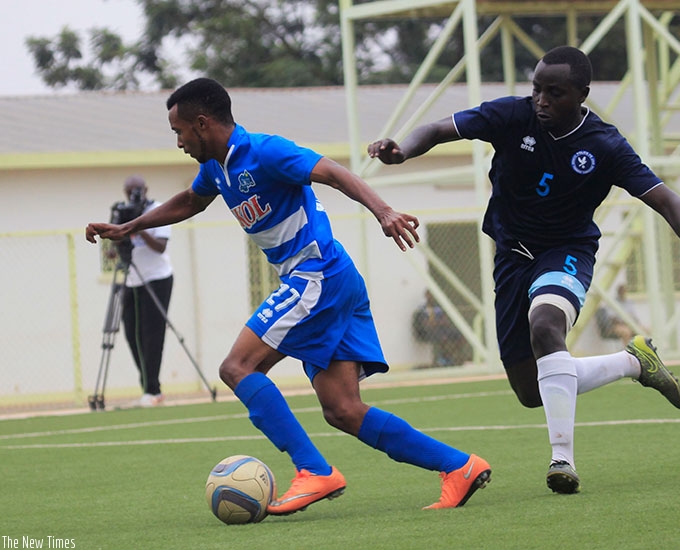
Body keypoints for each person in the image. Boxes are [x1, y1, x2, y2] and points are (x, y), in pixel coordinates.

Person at [86, 77, 490, 514]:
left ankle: (313, 470)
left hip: (316, 275)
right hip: (332, 279)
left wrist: (384, 211)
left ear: (201, 124)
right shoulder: (216, 167)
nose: (179, 141)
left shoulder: (264, 151)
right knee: (343, 410)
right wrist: (130, 227)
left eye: (179, 131)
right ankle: (459, 466)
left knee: (237, 367)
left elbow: (332, 172)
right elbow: (190, 201)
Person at [368, 45, 680, 494]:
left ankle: (563, 460)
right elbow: (439, 128)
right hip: (511, 256)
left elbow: (664, 197)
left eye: (555, 92)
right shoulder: (512, 116)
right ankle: (632, 362)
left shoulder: (605, 144)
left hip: (566, 251)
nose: (541, 99)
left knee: (546, 325)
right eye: (537, 89)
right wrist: (402, 150)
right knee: (530, 391)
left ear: (582, 94)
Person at [116, 175, 174, 407]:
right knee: (132, 333)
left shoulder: (157, 211)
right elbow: (118, 248)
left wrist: (139, 226)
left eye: (137, 190)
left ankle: (153, 390)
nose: (133, 194)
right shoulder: (123, 211)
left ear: (146, 189)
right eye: (129, 190)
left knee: (152, 335)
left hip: (157, 278)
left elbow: (160, 247)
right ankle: (147, 385)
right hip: (132, 279)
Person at [412, 290, 465, 367]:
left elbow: (445, 321)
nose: (431, 297)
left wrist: (435, 322)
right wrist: (438, 322)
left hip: (443, 329)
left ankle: (448, 356)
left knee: (461, 337)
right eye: (429, 295)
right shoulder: (423, 309)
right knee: (443, 338)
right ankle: (443, 358)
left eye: (432, 295)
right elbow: (426, 323)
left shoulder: (438, 308)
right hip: (430, 331)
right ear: (426, 296)